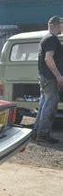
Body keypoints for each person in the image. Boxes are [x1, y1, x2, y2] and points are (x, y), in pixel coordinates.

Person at [33, 15, 63, 143]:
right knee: (50, 106)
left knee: (43, 105)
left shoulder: (45, 38)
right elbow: (48, 58)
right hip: (50, 78)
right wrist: (58, 76)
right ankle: (43, 134)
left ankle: (36, 132)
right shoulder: (52, 39)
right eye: (62, 23)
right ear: (55, 24)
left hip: (44, 76)